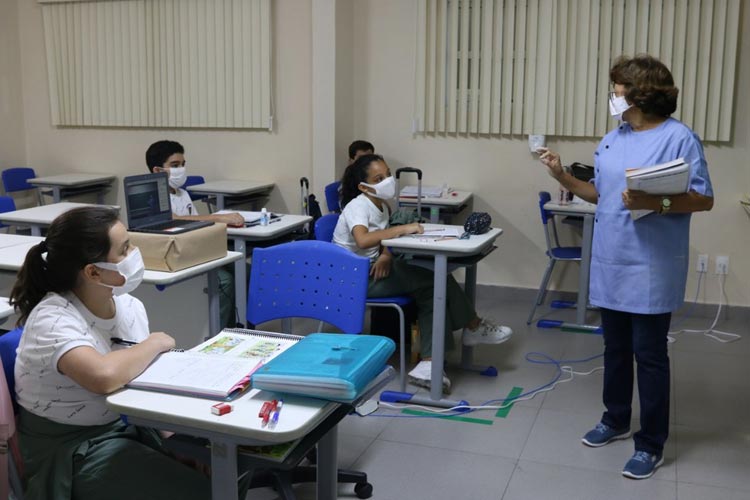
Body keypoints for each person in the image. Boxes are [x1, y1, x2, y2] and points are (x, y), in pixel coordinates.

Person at [538, 54, 713, 480]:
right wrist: (562, 175)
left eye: (617, 89)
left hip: (651, 265)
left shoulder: (679, 138)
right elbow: (601, 193)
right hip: (612, 260)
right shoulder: (613, 138)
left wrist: (657, 202)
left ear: (638, 94)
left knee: (649, 355)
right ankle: (614, 419)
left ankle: (650, 443)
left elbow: (703, 199)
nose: (613, 96)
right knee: (614, 348)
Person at [8, 207, 247, 499]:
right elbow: (104, 376)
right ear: (93, 271)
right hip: (71, 450)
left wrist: (176, 441)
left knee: (231, 470)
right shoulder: (52, 319)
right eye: (125, 249)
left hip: (125, 427)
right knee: (204, 492)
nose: (136, 253)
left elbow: (142, 380)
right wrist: (155, 342)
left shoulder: (128, 306)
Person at [332, 153, 513, 392]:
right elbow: (363, 240)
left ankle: (430, 364)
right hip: (352, 281)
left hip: (372, 269)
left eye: (387, 174)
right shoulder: (358, 206)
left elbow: (383, 235)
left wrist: (386, 254)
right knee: (431, 277)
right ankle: (472, 326)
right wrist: (404, 229)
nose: (387, 180)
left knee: (432, 284)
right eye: (379, 178)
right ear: (364, 186)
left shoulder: (381, 205)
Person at [145, 140, 241, 329]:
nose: (181, 169)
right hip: (179, 258)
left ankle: (235, 327)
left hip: (196, 251)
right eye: (174, 165)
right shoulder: (154, 197)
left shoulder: (182, 193)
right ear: (157, 171)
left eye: (183, 164)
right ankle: (215, 331)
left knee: (240, 269)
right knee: (225, 280)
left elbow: (197, 223)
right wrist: (218, 218)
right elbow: (175, 219)